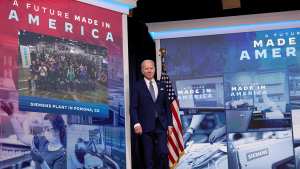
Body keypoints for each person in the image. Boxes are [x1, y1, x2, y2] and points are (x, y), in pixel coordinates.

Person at [130, 60, 173, 169]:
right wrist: (136, 124)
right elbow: (133, 108)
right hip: (145, 125)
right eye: (146, 69)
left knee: (163, 152)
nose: (149, 71)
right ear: (142, 71)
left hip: (161, 124)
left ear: (154, 69)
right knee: (150, 158)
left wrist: (170, 125)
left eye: (151, 68)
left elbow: (167, 107)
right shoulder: (136, 86)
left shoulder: (162, 85)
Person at [0, 100, 67, 169]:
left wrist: (41, 161)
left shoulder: (62, 154)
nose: (45, 132)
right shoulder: (43, 141)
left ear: (57, 130)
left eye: (48, 129)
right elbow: (22, 136)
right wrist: (11, 114)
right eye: (44, 129)